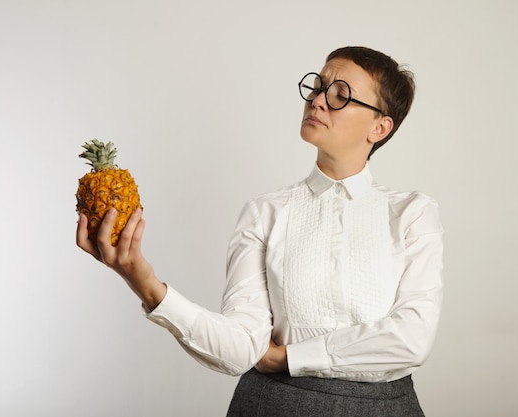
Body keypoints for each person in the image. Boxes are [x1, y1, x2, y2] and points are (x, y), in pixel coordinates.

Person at [77, 46, 443, 416]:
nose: (317, 101)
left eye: (340, 95)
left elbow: (412, 339)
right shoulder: (265, 212)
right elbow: (240, 349)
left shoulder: (412, 214)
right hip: (272, 405)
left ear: (379, 127)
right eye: (317, 87)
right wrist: (146, 284)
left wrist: (289, 357)